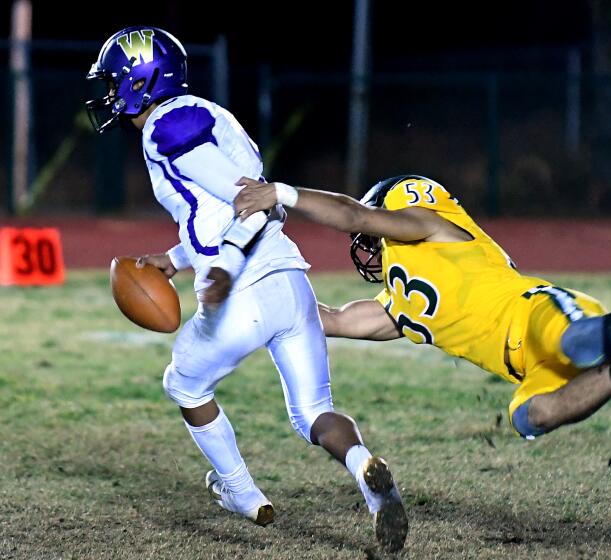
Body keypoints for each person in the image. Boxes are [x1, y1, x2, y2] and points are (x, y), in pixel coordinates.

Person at [85, 27, 407, 552]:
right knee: (314, 412)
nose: (108, 92)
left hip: (243, 289)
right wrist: (175, 258)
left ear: (142, 81)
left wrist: (223, 269)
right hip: (289, 279)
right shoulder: (210, 114)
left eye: (115, 80)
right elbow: (246, 207)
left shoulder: (163, 128)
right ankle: (367, 471)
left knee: (184, 384)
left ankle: (240, 490)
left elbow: (246, 201)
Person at [232, 174, 611, 439]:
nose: (365, 249)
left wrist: (282, 194)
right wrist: (251, 290)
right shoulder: (396, 303)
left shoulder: (433, 229)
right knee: (530, 419)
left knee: (577, 340)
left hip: (537, 312)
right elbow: (323, 319)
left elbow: (354, 216)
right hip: (524, 365)